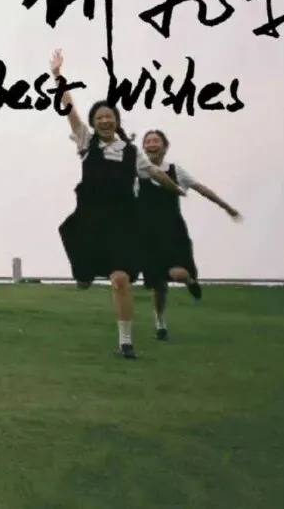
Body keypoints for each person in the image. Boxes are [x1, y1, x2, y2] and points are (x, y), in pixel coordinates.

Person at [49, 50, 186, 360]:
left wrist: (177, 188)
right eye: (99, 118)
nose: (104, 120)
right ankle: (84, 273)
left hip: (123, 223)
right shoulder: (86, 141)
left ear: (116, 121)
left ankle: (125, 342)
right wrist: (58, 77)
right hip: (90, 219)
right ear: (94, 123)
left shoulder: (132, 152)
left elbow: (155, 173)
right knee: (82, 276)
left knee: (121, 279)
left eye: (109, 116)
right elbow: (69, 110)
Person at [139, 129, 242, 341]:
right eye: (147, 141)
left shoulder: (176, 171)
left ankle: (190, 281)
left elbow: (201, 189)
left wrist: (227, 207)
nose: (151, 144)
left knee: (179, 274)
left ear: (165, 146)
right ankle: (160, 324)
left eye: (156, 141)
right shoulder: (138, 171)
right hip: (148, 236)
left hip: (174, 233)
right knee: (159, 286)